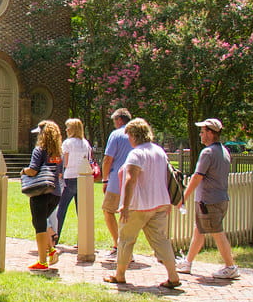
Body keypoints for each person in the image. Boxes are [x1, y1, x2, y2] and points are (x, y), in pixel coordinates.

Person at [103, 118, 182, 288]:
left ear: (133, 135)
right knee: (161, 240)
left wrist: (124, 205)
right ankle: (173, 276)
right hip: (160, 203)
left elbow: (130, 179)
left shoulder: (136, 153)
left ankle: (120, 275)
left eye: (129, 135)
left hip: (138, 205)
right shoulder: (159, 151)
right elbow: (168, 176)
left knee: (125, 239)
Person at [176, 118, 240, 279]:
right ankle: (187, 263)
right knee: (199, 231)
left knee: (217, 232)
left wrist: (183, 197)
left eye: (203, 132)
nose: (200, 135)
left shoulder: (207, 152)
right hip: (220, 198)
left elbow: (197, 177)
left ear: (211, 133)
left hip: (208, 201)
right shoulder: (224, 151)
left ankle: (230, 266)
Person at [22, 120, 63, 271]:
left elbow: (33, 170)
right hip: (56, 192)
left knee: (39, 225)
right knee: (43, 222)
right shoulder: (59, 152)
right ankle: (51, 251)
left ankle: (42, 261)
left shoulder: (39, 150)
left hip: (41, 192)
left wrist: (23, 171)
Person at [53, 118, 92, 245]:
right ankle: (84, 240)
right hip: (82, 178)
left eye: (68, 127)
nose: (66, 129)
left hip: (69, 178)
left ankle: (55, 237)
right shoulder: (85, 143)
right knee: (81, 211)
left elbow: (66, 162)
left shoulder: (68, 143)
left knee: (61, 209)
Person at [101, 107, 133, 257]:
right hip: (134, 182)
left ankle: (118, 244)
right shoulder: (137, 134)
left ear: (119, 120)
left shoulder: (116, 135)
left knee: (108, 210)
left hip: (116, 181)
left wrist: (105, 179)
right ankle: (127, 247)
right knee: (129, 216)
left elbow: (108, 159)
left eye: (114, 121)